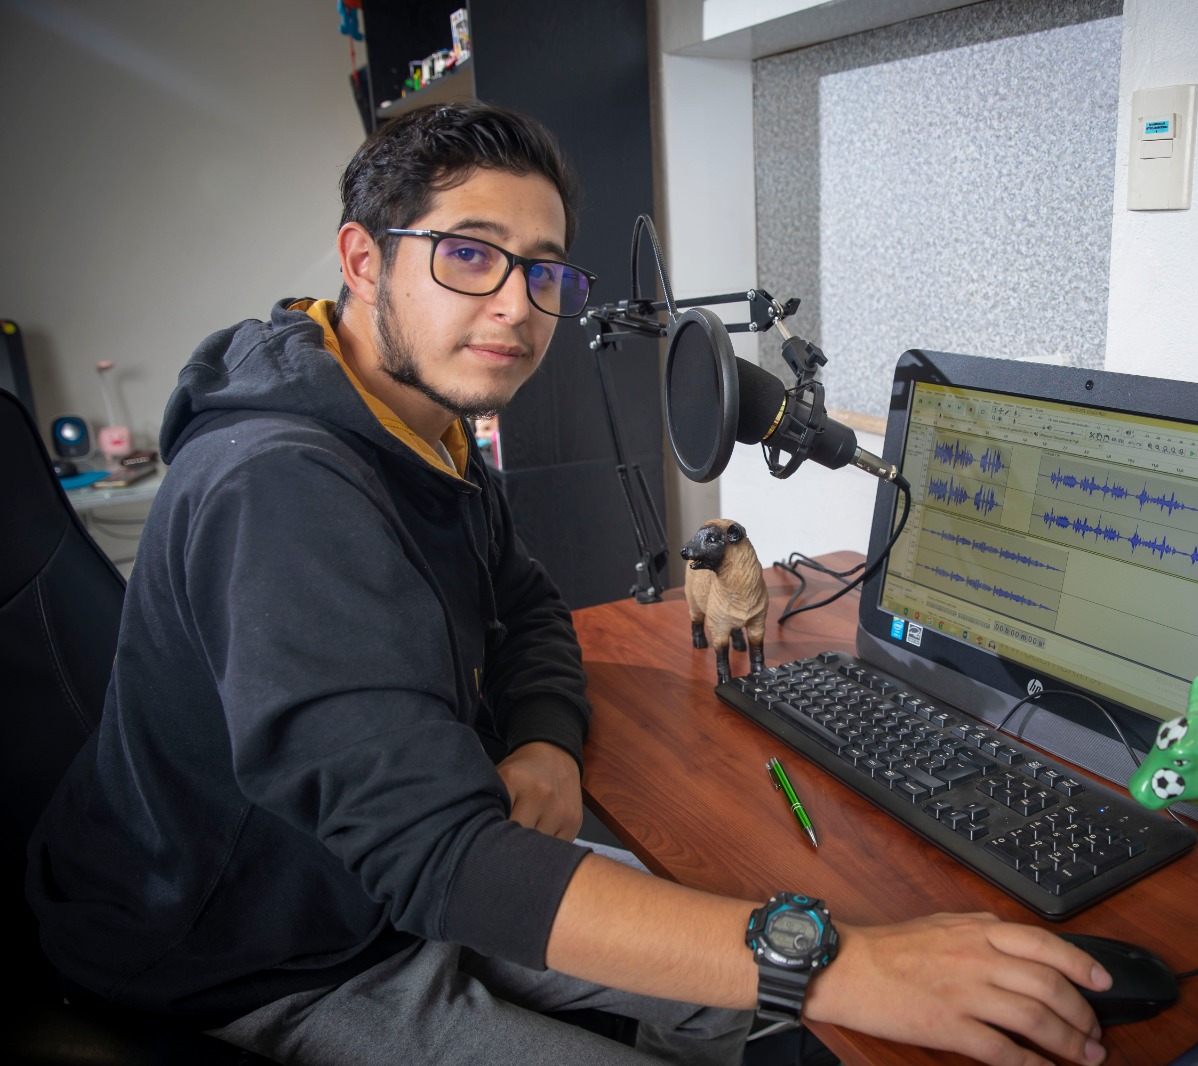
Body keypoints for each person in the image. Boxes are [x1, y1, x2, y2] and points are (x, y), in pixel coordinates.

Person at [26, 102, 1113, 1066]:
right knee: (809, 975)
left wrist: (545, 737)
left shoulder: (423, 427)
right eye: (468, 254)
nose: (515, 305)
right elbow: (442, 861)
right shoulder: (278, 490)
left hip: (394, 866)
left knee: (759, 996)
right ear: (363, 260)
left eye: (542, 269)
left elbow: (531, 607)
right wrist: (845, 965)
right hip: (254, 946)